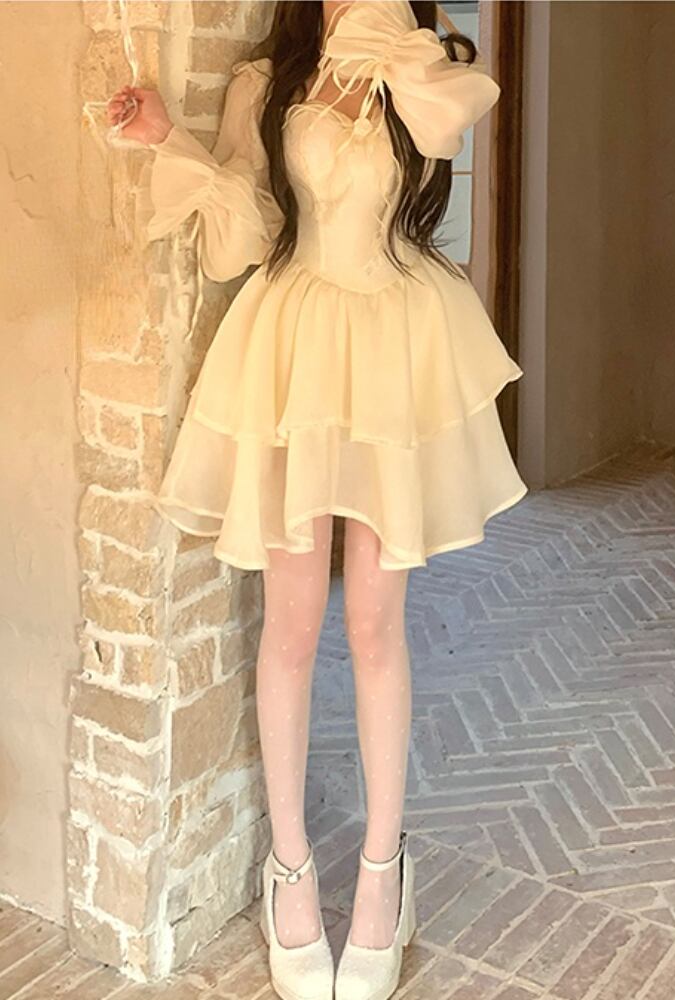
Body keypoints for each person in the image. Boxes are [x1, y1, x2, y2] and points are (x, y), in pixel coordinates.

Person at [108, 2, 527, 997]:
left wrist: (391, 40)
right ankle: (289, 869)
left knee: (377, 624)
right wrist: (169, 141)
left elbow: (450, 120)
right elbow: (249, 232)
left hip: (394, 343)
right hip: (293, 347)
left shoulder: (417, 60)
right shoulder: (269, 79)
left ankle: (384, 872)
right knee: (291, 625)